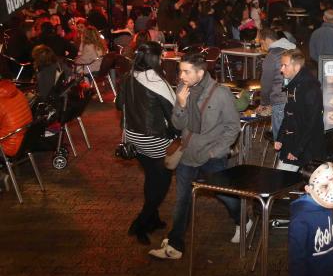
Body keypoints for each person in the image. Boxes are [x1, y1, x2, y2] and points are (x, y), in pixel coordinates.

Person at [149, 53, 244, 260]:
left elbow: (232, 127)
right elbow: (178, 125)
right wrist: (181, 105)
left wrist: (216, 151)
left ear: (200, 73)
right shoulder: (183, 90)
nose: (181, 75)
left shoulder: (221, 94)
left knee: (225, 195)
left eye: (186, 71)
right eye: (180, 70)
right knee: (182, 200)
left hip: (211, 157)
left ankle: (243, 220)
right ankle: (175, 245)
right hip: (187, 154)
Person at [116, 42, 177, 245]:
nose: (162, 60)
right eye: (160, 57)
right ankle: (141, 222)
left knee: (151, 177)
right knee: (162, 181)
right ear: (154, 58)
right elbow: (174, 115)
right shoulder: (157, 82)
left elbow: (118, 104)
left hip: (133, 138)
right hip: (156, 139)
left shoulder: (128, 77)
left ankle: (153, 219)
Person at [274, 49, 325, 172]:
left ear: (296, 67)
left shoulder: (310, 88)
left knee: (283, 182)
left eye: (284, 65)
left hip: (306, 148)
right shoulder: (294, 85)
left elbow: (312, 123)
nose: (281, 69)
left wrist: (298, 149)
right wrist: (280, 137)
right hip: (293, 143)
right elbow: (289, 115)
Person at [257, 28, 296, 137]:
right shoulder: (295, 51)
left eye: (261, 43)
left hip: (280, 101)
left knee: (280, 139)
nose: (262, 47)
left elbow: (266, 84)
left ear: (266, 40)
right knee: (293, 138)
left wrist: (264, 103)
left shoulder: (272, 56)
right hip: (296, 99)